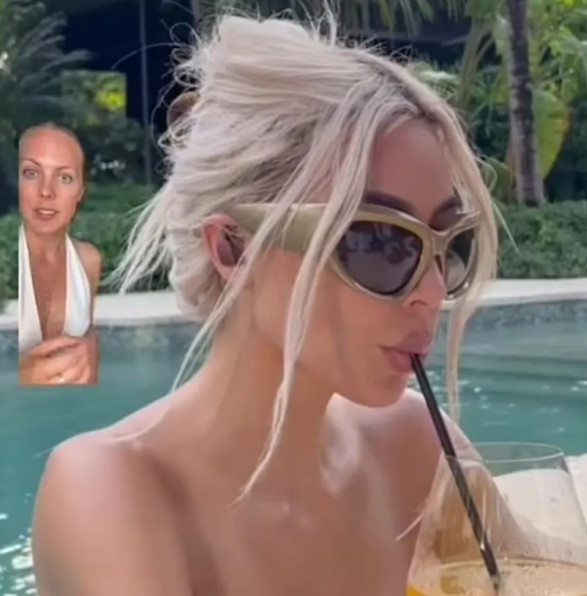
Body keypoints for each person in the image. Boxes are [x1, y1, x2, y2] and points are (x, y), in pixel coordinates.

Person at [32, 11, 502, 596]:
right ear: (233, 248)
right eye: (380, 241)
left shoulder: (416, 446)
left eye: (451, 245)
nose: (431, 291)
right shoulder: (111, 488)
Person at [18, 123, 102, 386]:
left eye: (64, 178)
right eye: (31, 173)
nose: (46, 191)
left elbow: (89, 357)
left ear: (80, 192)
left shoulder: (88, 261)